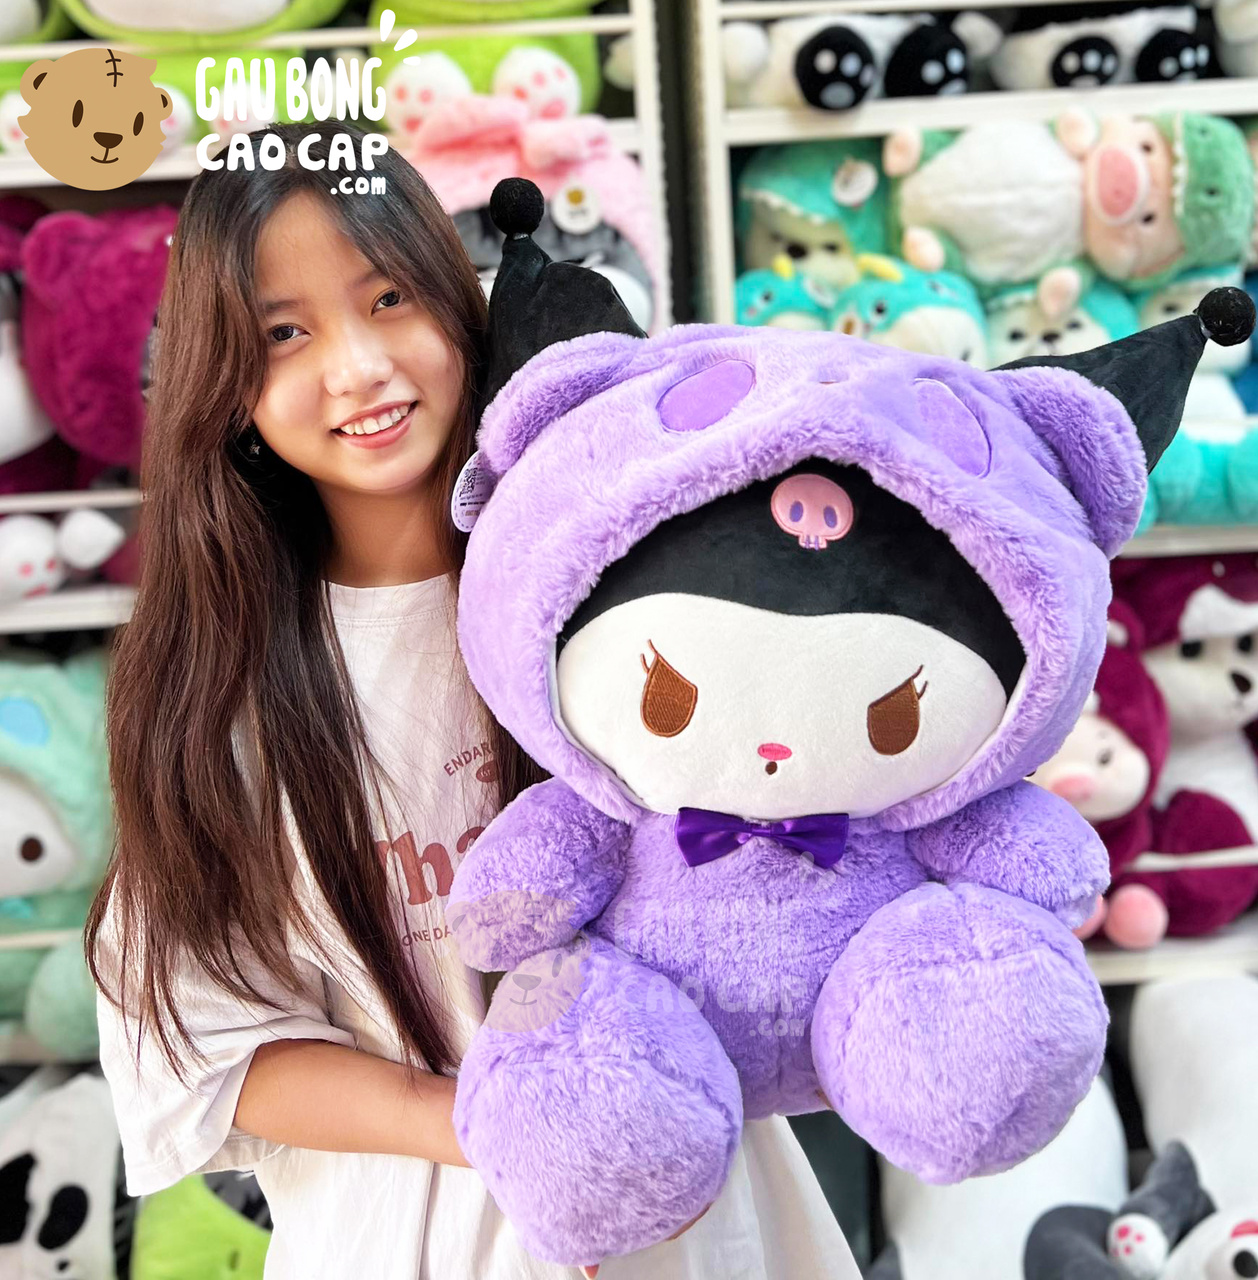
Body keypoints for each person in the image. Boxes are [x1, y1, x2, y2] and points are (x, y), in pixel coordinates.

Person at [88, 120, 861, 1280]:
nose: (356, 365)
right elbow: (208, 1047)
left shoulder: (624, 590)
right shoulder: (214, 693)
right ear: (225, 378)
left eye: (387, 296)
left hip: (699, 1212)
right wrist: (514, 1126)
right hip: (418, 1232)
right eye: (285, 332)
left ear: (457, 299)